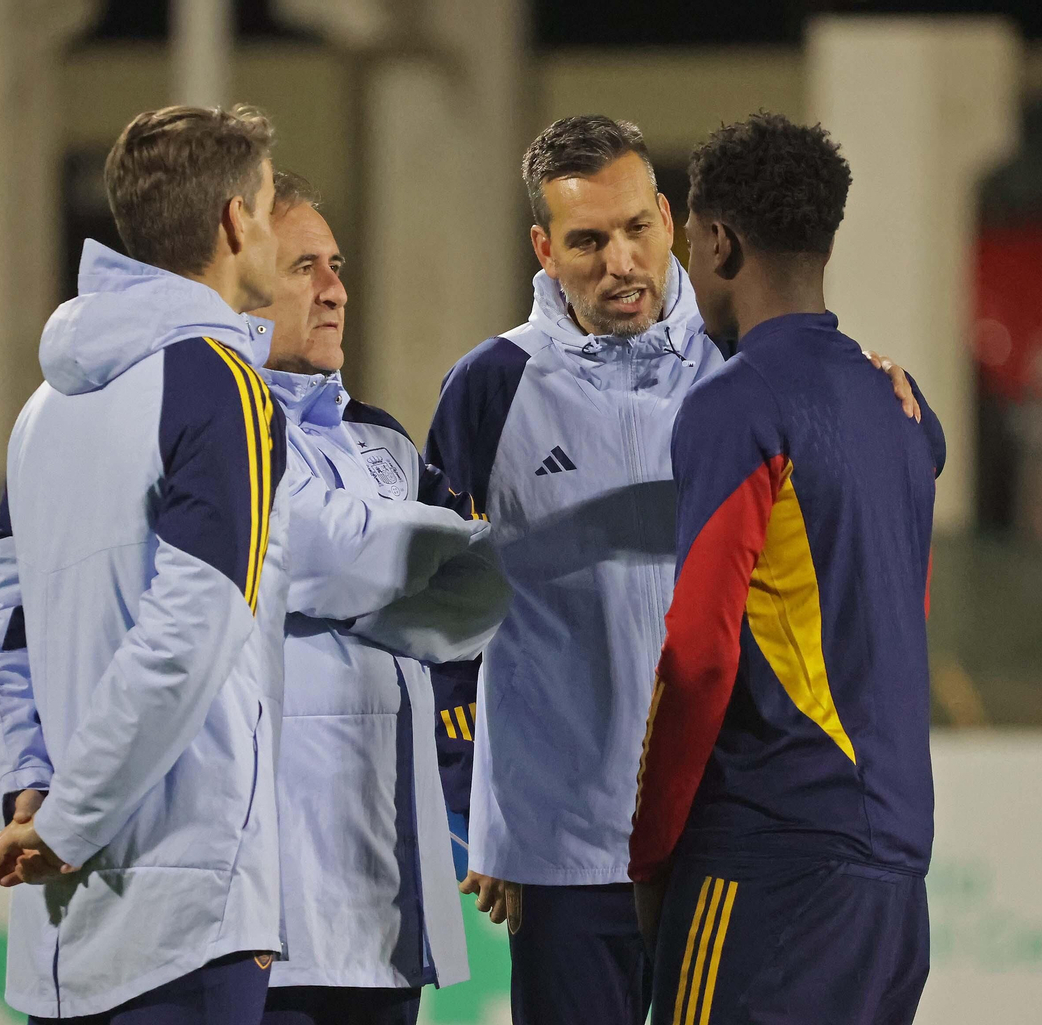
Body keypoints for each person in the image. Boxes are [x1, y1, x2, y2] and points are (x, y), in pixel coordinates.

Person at [425, 115, 920, 1025]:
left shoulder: (747, 364)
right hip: (563, 852)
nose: (620, 261)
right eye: (587, 240)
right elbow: (445, 612)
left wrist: (897, 392)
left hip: (723, 836)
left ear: (668, 216)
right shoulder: (489, 388)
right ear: (544, 248)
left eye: (636, 229)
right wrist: (473, 808)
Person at [0, 105, 290, 1024]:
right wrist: (66, 826)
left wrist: (30, 787)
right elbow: (192, 631)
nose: (270, 230)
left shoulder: (42, 410)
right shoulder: (220, 382)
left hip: (63, 931)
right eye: (265, 209)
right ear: (232, 222)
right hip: (185, 918)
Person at [628, 113, 945, 1025]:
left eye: (689, 238)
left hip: (769, 854)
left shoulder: (738, 404)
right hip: (893, 879)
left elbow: (700, 652)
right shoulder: (904, 408)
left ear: (720, 242)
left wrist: (651, 852)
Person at [251, 172, 510, 1025]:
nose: (334, 290)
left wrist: (485, 811)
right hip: (277, 922)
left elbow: (449, 630)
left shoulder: (383, 439)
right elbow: (326, 555)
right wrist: (477, 556)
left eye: (337, 264)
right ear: (244, 281)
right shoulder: (221, 429)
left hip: (388, 905)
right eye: (303, 269)